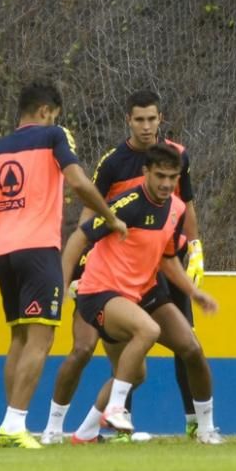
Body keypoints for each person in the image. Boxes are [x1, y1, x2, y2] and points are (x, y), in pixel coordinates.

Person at [0, 82, 126, 449]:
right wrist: (110, 217)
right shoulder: (53, 136)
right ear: (46, 112)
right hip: (39, 252)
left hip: (4, 256)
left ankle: (10, 422)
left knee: (18, 339)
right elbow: (79, 182)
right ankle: (15, 425)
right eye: (56, 115)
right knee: (42, 338)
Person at [41, 90, 205, 444]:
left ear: (161, 120)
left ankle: (194, 423)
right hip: (107, 277)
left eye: (152, 119)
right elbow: (90, 214)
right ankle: (63, 424)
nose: (147, 126)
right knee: (84, 348)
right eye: (139, 119)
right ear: (128, 121)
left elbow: (185, 207)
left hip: (152, 272)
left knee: (183, 347)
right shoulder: (115, 165)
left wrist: (195, 248)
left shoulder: (177, 162)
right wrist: (73, 274)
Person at [62, 143, 223, 445]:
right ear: (146, 172)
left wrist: (193, 292)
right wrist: (63, 282)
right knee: (148, 330)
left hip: (143, 290)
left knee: (191, 349)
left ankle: (205, 430)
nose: (166, 184)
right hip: (100, 292)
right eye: (160, 175)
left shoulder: (175, 209)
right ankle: (115, 408)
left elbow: (168, 257)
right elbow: (80, 235)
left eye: (172, 178)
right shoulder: (127, 203)